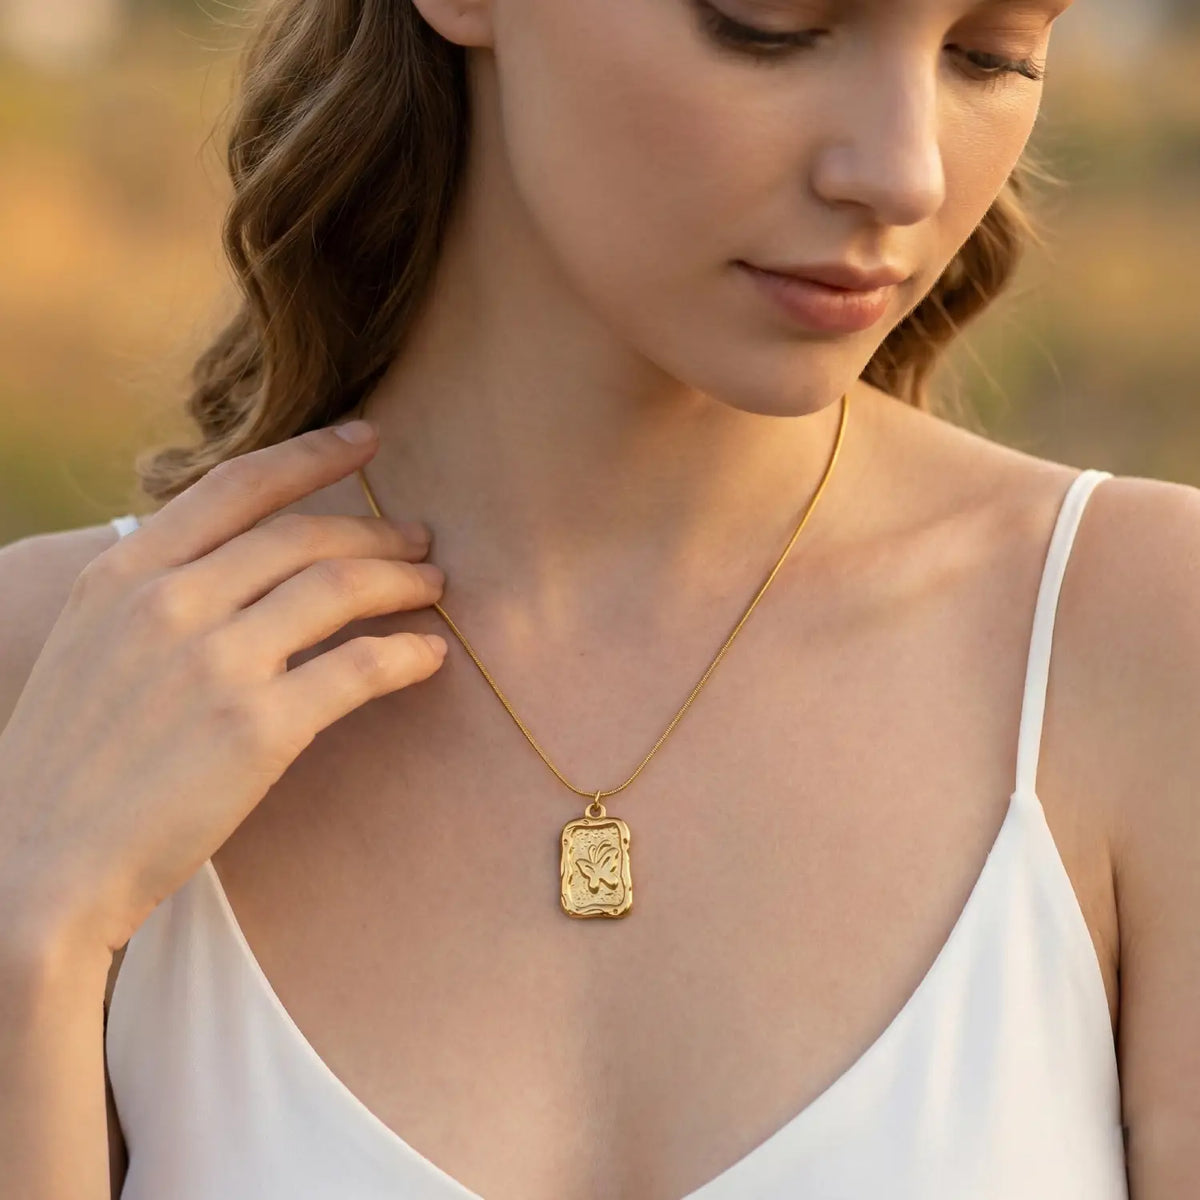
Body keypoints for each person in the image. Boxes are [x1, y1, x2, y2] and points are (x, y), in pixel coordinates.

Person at [1, 0, 1197, 1196]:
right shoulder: (54, 685)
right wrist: (31, 944)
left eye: (991, 55)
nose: (903, 174)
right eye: (766, 25)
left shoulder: (1143, 640)